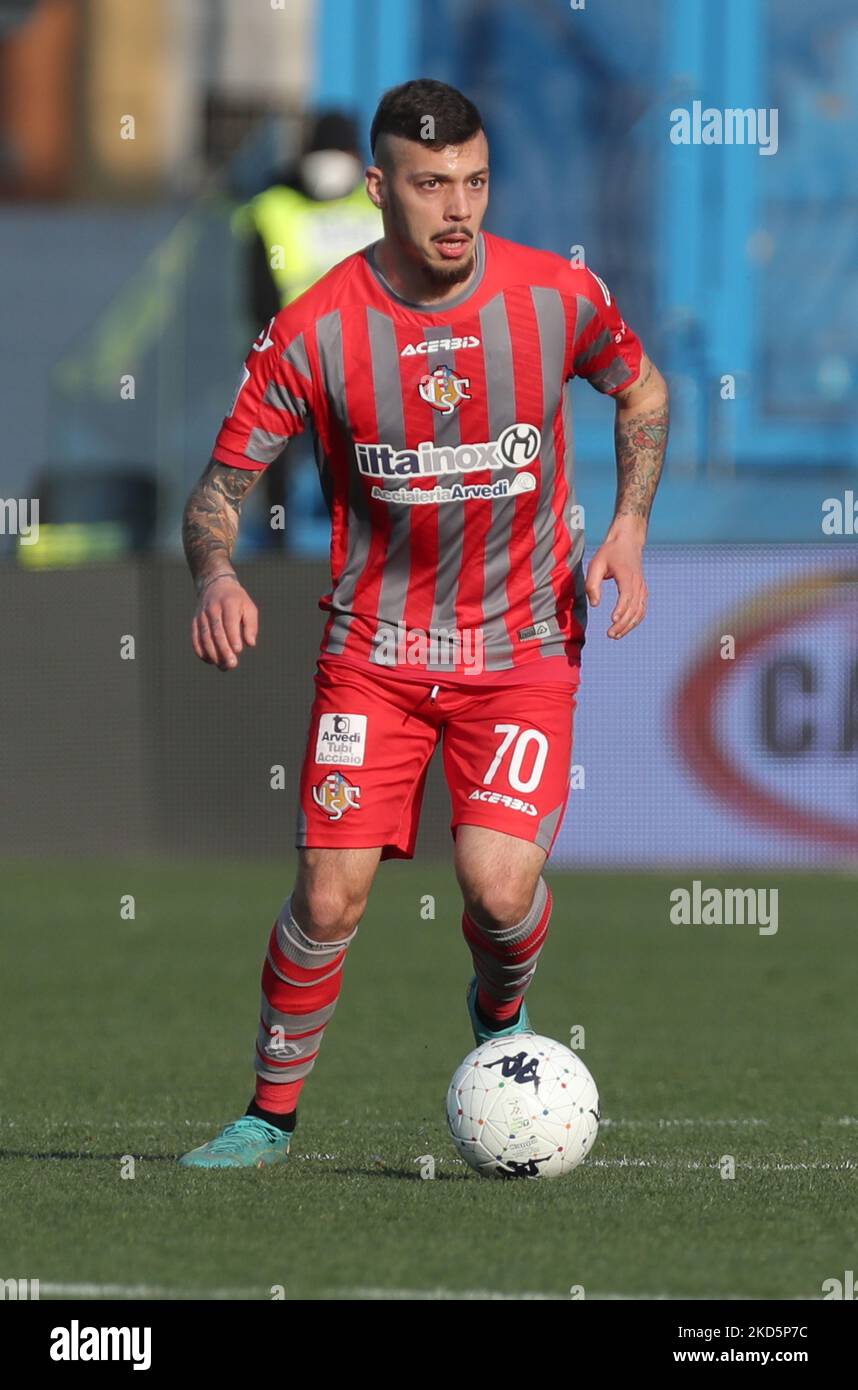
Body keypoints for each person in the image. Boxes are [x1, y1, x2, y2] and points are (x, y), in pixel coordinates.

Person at [179, 78, 669, 1169]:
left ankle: (501, 1017)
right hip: (374, 658)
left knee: (500, 891)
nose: (459, 209)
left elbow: (642, 392)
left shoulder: (556, 297)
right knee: (330, 893)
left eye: (476, 182)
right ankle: (268, 1116)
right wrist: (216, 573)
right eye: (432, 184)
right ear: (377, 189)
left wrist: (630, 526)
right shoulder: (316, 330)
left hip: (525, 648)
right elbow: (215, 491)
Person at [234, 110, 382, 550]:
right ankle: (283, 549)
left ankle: (359, 547)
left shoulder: (377, 205)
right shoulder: (272, 207)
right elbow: (256, 296)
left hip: (361, 358)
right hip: (297, 356)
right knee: (277, 458)